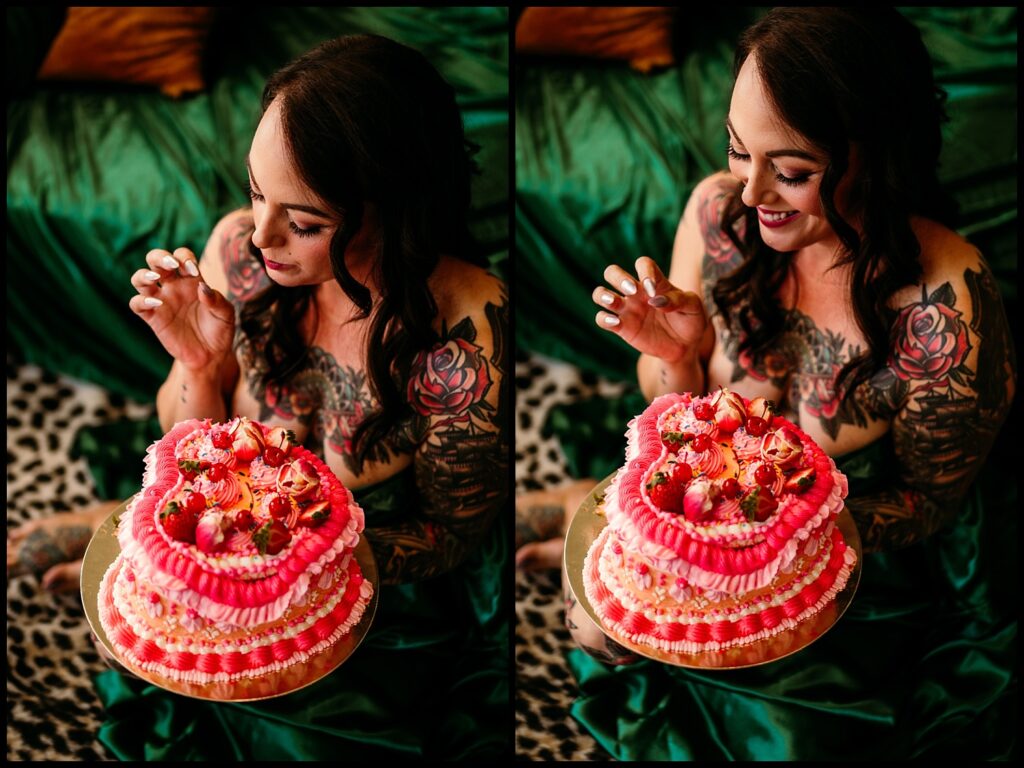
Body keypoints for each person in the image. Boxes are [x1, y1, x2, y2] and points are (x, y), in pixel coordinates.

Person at [517, 7, 1016, 760]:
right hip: (703, 507)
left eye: (790, 172)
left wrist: (745, 569)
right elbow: (672, 416)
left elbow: (927, 503)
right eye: (736, 150)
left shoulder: (948, 309)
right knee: (597, 624)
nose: (750, 193)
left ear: (875, 160)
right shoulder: (718, 215)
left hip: (844, 558)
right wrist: (678, 358)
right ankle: (581, 497)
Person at [13, 34, 510, 760]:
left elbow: (448, 536)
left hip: (370, 591)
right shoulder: (241, 255)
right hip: (222, 548)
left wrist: (272, 587)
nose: (262, 236)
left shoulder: (467, 338)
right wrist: (200, 366)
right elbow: (196, 451)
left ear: (391, 210)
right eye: (255, 192)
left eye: (305, 223)